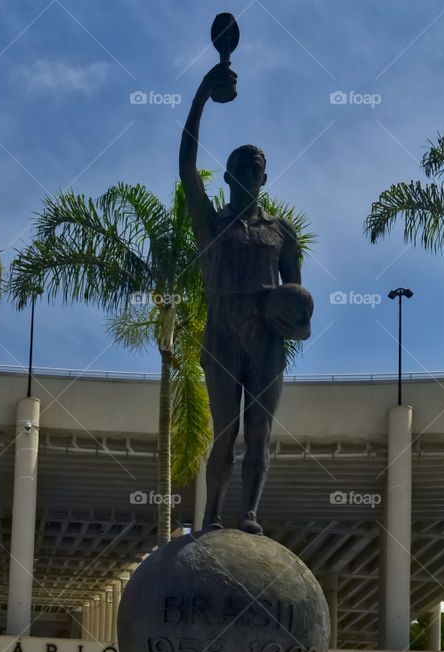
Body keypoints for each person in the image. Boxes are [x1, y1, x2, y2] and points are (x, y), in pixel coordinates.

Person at [179, 61, 312, 534]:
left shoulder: (281, 232)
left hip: (265, 336)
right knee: (225, 432)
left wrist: (296, 322)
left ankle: (250, 513)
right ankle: (211, 516)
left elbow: (297, 300)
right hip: (222, 330)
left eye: (256, 169)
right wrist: (202, 93)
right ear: (228, 177)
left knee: (259, 433)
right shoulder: (210, 224)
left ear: (264, 179)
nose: (248, 173)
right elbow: (186, 165)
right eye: (240, 167)